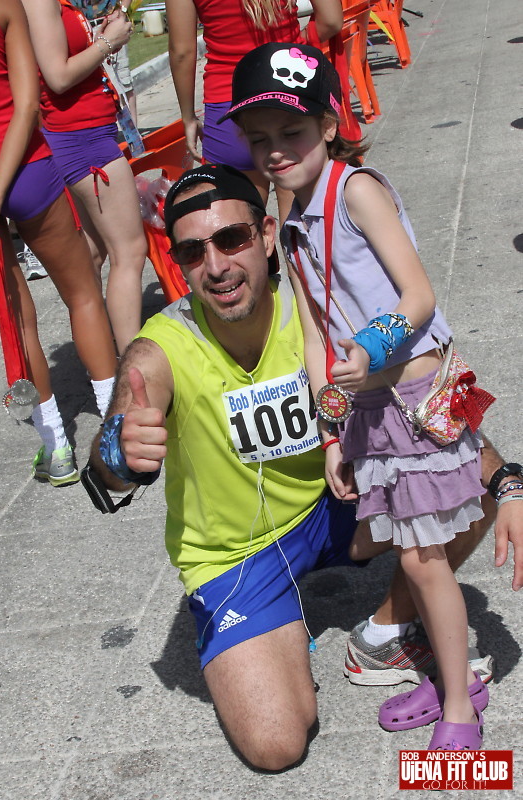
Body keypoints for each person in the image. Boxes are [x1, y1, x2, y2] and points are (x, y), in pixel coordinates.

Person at [87, 164, 523, 769]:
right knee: (276, 745)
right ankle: (267, 625)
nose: (216, 266)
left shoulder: (318, 305)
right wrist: (120, 454)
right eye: (192, 251)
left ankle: (384, 634)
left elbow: (427, 400)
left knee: (470, 487)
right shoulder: (160, 346)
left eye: (231, 239)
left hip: (334, 505)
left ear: (267, 235)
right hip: (235, 553)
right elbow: (111, 454)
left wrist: (507, 482)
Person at [223, 41, 516, 751]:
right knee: (412, 553)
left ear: (328, 124)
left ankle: (457, 706)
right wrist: (333, 433)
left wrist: (367, 350)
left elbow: (417, 295)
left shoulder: (355, 191)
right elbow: (315, 336)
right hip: (370, 412)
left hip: (415, 398)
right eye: (259, 138)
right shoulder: (290, 218)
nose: (275, 150)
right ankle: (441, 669)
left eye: (291, 131)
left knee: (421, 559)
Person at [0, 0, 117, 484]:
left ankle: (57, 448)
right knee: (82, 294)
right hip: (27, 166)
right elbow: (27, 104)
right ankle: (115, 431)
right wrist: (0, 191)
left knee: (17, 317)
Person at [22, 0, 147, 354]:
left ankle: (102, 355)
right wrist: (108, 42)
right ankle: (133, 363)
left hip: (86, 134)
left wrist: (99, 36)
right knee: (129, 250)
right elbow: (58, 76)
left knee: (92, 252)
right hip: (83, 139)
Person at [165, 0, 343, 219]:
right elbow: (331, 21)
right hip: (292, 92)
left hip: (230, 103)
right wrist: (296, 52)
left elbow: (182, 51)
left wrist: (188, 116)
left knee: (240, 227)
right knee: (304, 224)